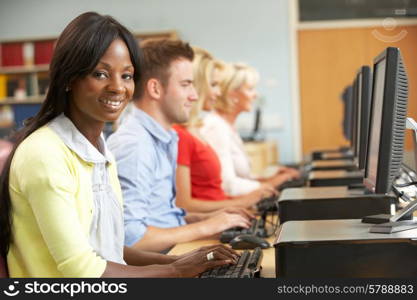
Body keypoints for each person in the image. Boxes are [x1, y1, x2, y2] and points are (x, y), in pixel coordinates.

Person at [0, 12, 238, 278]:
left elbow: (107, 248)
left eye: (126, 76)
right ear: (68, 78)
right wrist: (174, 270)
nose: (117, 87)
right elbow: (83, 270)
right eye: (100, 74)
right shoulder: (45, 153)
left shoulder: (100, 150)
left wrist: (183, 260)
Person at [107, 39, 253, 253]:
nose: (194, 95)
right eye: (186, 85)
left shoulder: (167, 137)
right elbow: (131, 239)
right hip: (159, 264)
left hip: (174, 252)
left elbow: (162, 216)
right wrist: (205, 227)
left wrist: (208, 218)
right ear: (155, 89)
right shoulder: (135, 146)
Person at [173, 47, 275, 213]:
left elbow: (214, 190)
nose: (218, 92)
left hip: (222, 213)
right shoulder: (186, 133)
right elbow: (185, 204)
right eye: (213, 85)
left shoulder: (196, 129)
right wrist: (245, 201)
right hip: (214, 217)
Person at [200, 63, 300, 196]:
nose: (255, 95)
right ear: (232, 93)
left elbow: (238, 176)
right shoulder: (216, 128)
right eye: (250, 89)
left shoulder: (227, 126)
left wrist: (268, 179)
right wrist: (272, 183)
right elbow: (228, 185)